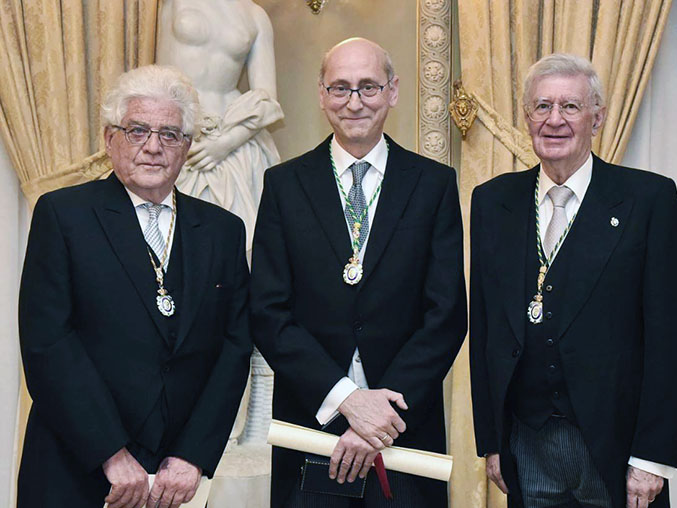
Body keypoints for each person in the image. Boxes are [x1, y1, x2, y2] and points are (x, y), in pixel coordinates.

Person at [469, 53, 677, 508]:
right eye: (542, 107)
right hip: (526, 443)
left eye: (570, 107)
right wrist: (492, 440)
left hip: (616, 450)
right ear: (526, 117)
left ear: (597, 119)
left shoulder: (648, 200)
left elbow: (674, 339)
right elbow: (486, 330)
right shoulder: (492, 202)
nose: (554, 120)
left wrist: (652, 458)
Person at [17, 65, 252, 508]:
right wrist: (110, 453)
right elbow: (48, 344)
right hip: (76, 466)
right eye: (137, 130)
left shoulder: (223, 230)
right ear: (110, 139)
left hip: (174, 479)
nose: (152, 147)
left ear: (187, 146)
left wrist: (193, 455)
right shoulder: (63, 216)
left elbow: (234, 347)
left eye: (169, 135)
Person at [251, 38, 467, 507]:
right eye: (341, 88)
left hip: (405, 432)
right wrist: (347, 399)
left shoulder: (433, 185)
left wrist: (380, 415)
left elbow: (446, 314)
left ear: (392, 91)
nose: (354, 102)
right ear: (321, 94)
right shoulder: (284, 185)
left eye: (368, 87)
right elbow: (268, 312)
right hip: (313, 428)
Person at [156, 0, 283, 258]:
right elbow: (158, 79)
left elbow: (267, 97)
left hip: (237, 141)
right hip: (182, 134)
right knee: (175, 241)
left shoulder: (256, 15)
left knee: (240, 246)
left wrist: (225, 143)